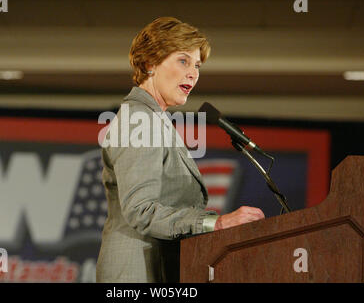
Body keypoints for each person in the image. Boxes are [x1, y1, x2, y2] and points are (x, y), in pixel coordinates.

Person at [96, 17, 265, 283]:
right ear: (150, 63)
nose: (193, 73)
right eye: (183, 61)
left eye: (197, 65)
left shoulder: (153, 119)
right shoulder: (140, 120)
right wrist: (215, 223)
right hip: (136, 275)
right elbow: (141, 210)